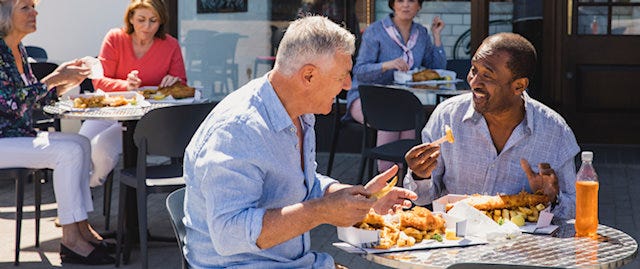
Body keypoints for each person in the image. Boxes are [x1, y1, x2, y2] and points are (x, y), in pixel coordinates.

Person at [183, 16, 417, 268]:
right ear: (308, 76)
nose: (349, 85)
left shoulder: (301, 112)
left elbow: (300, 183)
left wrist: (359, 198)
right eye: (342, 75)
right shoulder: (238, 129)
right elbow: (229, 235)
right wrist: (322, 211)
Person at [403, 32, 580, 219]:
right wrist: (419, 176)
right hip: (458, 239)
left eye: (487, 75)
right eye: (473, 70)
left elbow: (574, 209)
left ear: (519, 86)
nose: (474, 82)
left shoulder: (555, 133)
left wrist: (551, 199)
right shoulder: (446, 117)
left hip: (521, 245)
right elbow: (421, 198)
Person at [0, 0, 115, 264]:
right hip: (3, 138)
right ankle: (71, 238)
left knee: (81, 143)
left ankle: (81, 227)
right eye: (25, 7)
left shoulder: (18, 48)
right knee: (67, 151)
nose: (34, 12)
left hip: (16, 135)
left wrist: (65, 82)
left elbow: (36, 103)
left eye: (33, 6)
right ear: (5, 14)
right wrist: (55, 77)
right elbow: (13, 103)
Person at [80, 0, 187, 187]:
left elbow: (182, 84)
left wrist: (173, 82)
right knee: (80, 144)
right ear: (130, 18)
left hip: (147, 119)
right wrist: (126, 86)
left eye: (153, 20)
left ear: (161, 21)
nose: (147, 26)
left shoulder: (171, 45)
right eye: (141, 19)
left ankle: (91, 184)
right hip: (109, 110)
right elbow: (99, 81)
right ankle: (79, 199)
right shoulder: (115, 38)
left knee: (101, 148)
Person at [346, 0, 446, 172]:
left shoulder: (421, 33)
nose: (405, 5)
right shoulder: (375, 31)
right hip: (368, 100)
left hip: (402, 102)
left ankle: (400, 187)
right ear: (392, 4)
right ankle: (386, 176)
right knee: (393, 116)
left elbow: (437, 68)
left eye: (411, 1)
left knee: (407, 128)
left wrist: (436, 35)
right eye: (400, 0)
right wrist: (387, 65)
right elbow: (360, 71)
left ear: (419, 6)